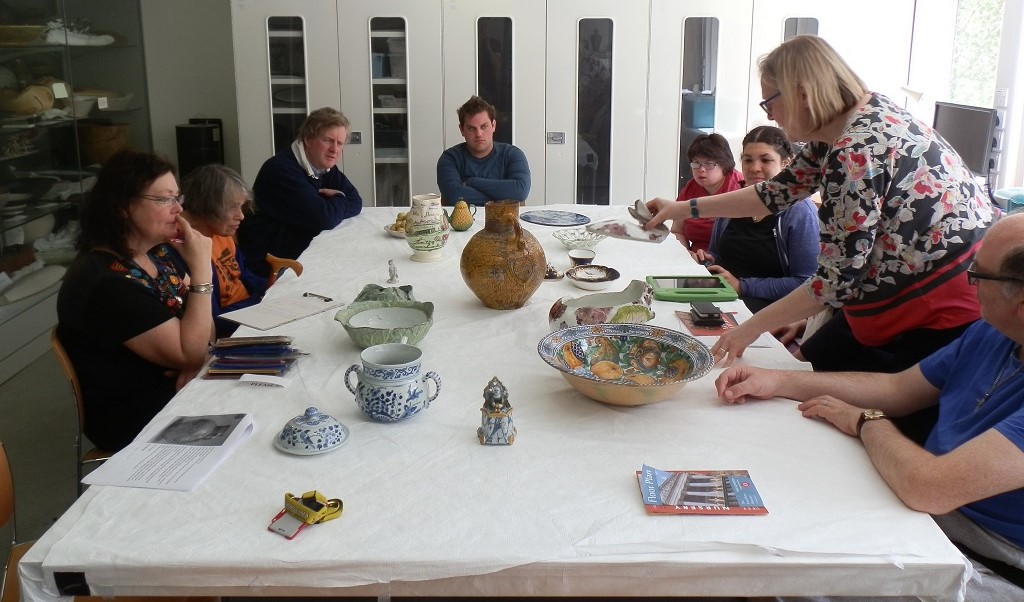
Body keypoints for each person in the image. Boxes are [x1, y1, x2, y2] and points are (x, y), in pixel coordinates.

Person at [714, 213, 1024, 600]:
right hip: (929, 517)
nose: (968, 282)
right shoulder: (992, 332)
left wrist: (866, 422)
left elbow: (929, 488)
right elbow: (897, 389)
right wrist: (780, 380)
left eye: (977, 274)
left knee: (779, 577)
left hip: (987, 561)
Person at [645, 35, 992, 375]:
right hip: (913, 295)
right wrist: (681, 208)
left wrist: (749, 329)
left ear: (802, 94)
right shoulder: (854, 120)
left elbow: (835, 282)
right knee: (798, 375)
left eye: (770, 103)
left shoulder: (855, 151)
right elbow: (772, 194)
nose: (772, 116)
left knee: (805, 391)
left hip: (934, 311)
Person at [57, 150, 214, 451]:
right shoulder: (106, 283)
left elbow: (202, 335)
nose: (179, 209)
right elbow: (193, 348)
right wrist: (202, 272)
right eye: (164, 199)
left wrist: (194, 353)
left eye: (177, 197)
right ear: (123, 206)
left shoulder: (158, 253)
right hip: (135, 414)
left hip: (172, 387)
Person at [693, 126, 819, 313]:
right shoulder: (733, 202)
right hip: (723, 297)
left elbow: (806, 283)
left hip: (768, 308)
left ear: (786, 163)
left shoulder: (800, 212)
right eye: (748, 160)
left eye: (766, 160)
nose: (754, 168)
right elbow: (717, 253)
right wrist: (709, 260)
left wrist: (742, 286)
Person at [238, 107, 362, 276]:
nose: (335, 149)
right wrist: (339, 197)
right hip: (269, 267)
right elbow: (324, 219)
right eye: (328, 140)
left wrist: (328, 207)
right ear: (308, 139)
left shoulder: (323, 166)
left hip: (299, 254)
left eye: (339, 143)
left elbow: (356, 201)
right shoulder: (281, 170)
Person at [181, 164, 267, 338]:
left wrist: (272, 288)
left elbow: (245, 275)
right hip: (233, 331)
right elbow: (213, 320)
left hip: (250, 312)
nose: (241, 216)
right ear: (209, 205)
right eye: (233, 207)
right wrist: (262, 303)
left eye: (241, 207)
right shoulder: (187, 249)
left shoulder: (222, 233)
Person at [436, 95, 531, 206]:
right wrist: (503, 197)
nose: (479, 134)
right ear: (462, 130)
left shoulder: (513, 154)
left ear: (493, 125)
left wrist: (471, 182)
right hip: (462, 223)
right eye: (471, 128)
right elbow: (453, 196)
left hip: (506, 221)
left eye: (484, 126)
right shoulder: (450, 158)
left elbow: (520, 191)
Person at [672, 133, 743, 253]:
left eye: (709, 163)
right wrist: (686, 254)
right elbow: (677, 230)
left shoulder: (738, 187)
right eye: (696, 163)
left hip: (728, 261)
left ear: (724, 164)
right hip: (696, 259)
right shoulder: (691, 187)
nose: (701, 169)